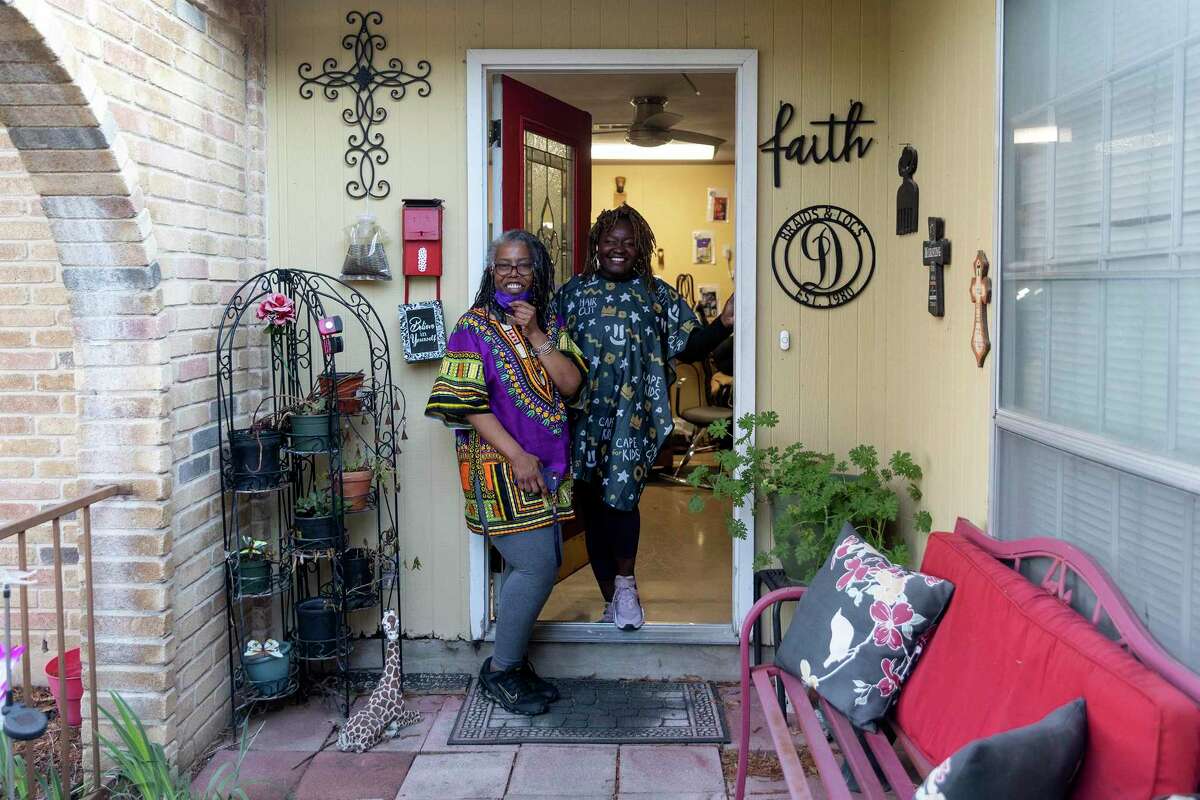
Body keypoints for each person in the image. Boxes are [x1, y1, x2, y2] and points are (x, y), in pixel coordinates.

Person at [426, 230, 585, 715]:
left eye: (522, 265)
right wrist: (517, 455)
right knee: (536, 566)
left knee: (535, 564)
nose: (512, 274)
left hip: (549, 469)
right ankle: (500, 670)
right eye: (503, 265)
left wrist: (537, 334)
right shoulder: (472, 327)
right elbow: (466, 405)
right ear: (490, 272)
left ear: (537, 271)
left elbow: (572, 384)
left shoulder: (550, 323)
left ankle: (513, 665)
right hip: (500, 469)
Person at [555, 205, 733, 630]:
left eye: (628, 242)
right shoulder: (572, 293)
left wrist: (724, 323)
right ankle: (610, 599)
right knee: (591, 509)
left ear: (641, 248)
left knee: (622, 501)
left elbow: (688, 346)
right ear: (597, 244)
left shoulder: (655, 293)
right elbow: (544, 348)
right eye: (610, 240)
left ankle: (626, 584)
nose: (618, 249)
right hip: (581, 419)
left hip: (630, 419)